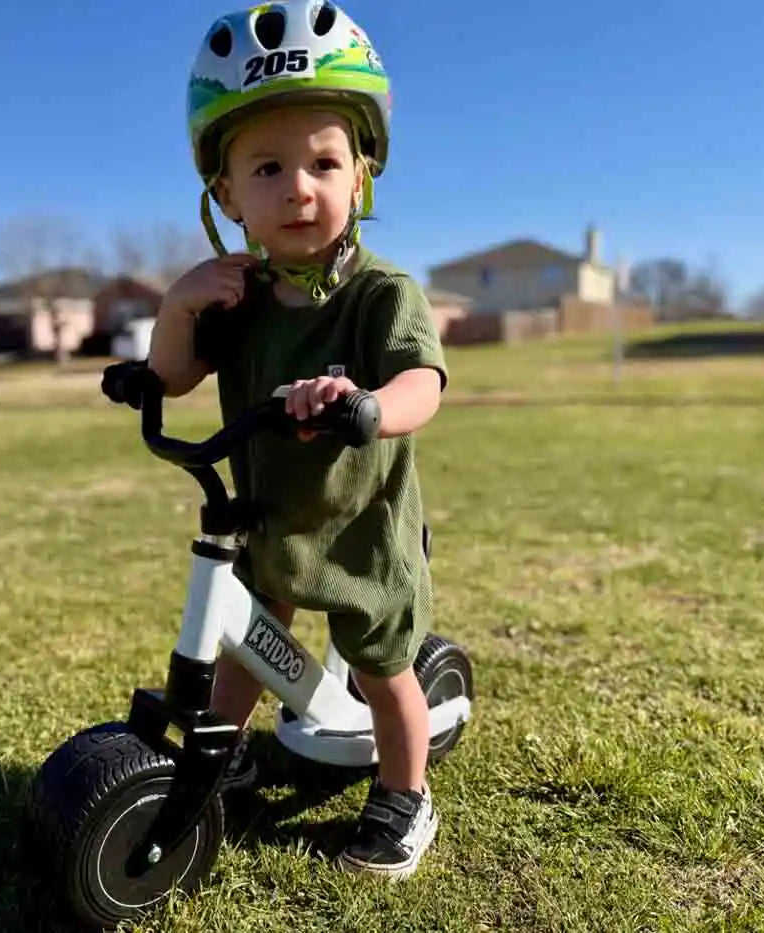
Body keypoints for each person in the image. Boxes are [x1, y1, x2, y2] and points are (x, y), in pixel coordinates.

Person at [144, 0, 448, 881]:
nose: (298, 188)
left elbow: (421, 383)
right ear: (226, 193)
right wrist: (176, 307)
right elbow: (172, 377)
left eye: (323, 161)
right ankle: (226, 754)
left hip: (362, 525)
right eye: (268, 168)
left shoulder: (381, 293)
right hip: (266, 514)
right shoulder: (233, 294)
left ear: (362, 175)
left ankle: (404, 795)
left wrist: (367, 405)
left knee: (385, 668)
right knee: (246, 643)